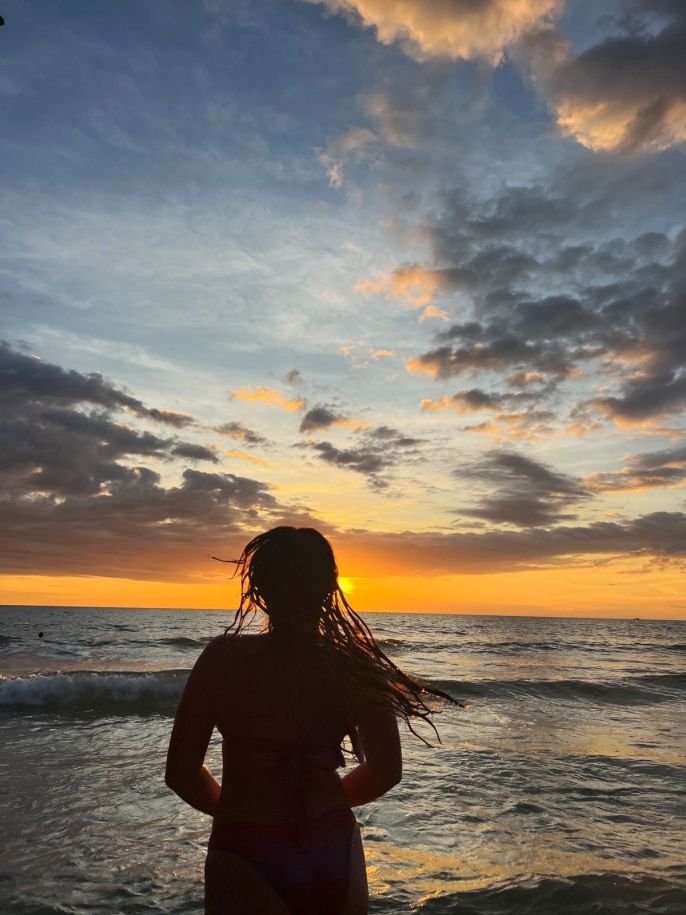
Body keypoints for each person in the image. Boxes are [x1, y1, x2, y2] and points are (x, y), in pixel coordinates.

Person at [165, 526, 459, 914]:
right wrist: (329, 804)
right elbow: (386, 770)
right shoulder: (352, 665)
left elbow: (181, 773)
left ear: (259, 587)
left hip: (245, 844)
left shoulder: (221, 659)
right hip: (328, 841)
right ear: (328, 587)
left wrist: (234, 810)